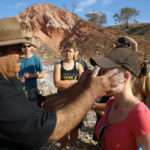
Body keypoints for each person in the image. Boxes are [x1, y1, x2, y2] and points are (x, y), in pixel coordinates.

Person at [0, 17, 111, 150]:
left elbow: (43, 103)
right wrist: (92, 93)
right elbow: (50, 130)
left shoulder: (10, 80)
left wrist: (81, 87)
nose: (23, 53)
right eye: (18, 48)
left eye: (24, 47)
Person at [90, 47, 150, 150]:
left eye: (107, 73)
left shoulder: (140, 114)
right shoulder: (111, 103)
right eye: (102, 72)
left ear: (126, 77)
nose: (102, 78)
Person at [53, 43, 84, 148]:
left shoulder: (78, 66)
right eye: (66, 51)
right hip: (61, 99)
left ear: (74, 52)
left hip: (75, 100)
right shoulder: (58, 66)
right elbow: (57, 83)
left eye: (70, 51)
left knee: (75, 125)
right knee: (62, 124)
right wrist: (74, 82)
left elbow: (82, 84)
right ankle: (63, 145)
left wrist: (65, 82)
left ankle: (73, 145)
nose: (67, 53)